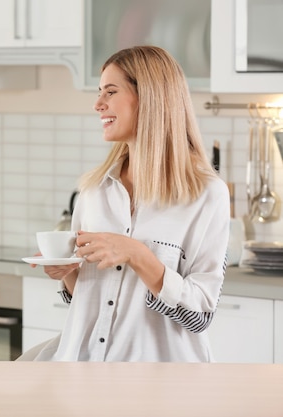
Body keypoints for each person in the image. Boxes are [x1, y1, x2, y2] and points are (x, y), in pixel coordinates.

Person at [34, 46, 229, 362]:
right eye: (100, 93)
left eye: (110, 92)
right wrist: (67, 274)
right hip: (82, 376)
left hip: (159, 387)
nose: (98, 105)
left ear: (151, 98)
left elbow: (200, 315)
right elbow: (85, 300)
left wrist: (138, 255)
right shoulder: (93, 190)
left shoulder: (207, 194)